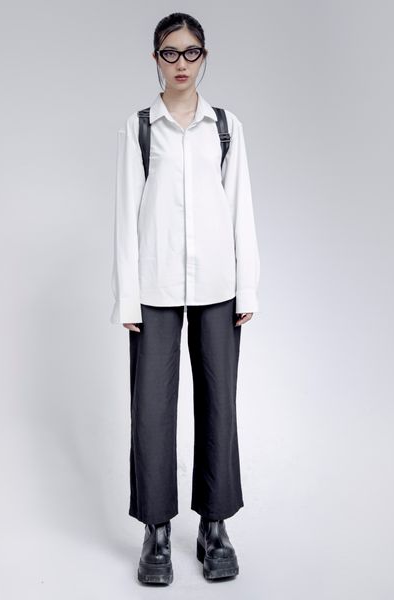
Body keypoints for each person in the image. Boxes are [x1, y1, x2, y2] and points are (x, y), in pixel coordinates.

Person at [110, 12, 260, 585]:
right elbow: (126, 215)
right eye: (169, 53)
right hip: (155, 287)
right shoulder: (139, 128)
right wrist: (128, 297)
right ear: (155, 58)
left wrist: (247, 285)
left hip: (218, 286)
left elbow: (240, 206)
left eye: (190, 52)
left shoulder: (225, 127)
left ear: (204, 57)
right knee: (150, 411)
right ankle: (156, 530)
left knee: (220, 404)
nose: (180, 63)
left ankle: (215, 526)